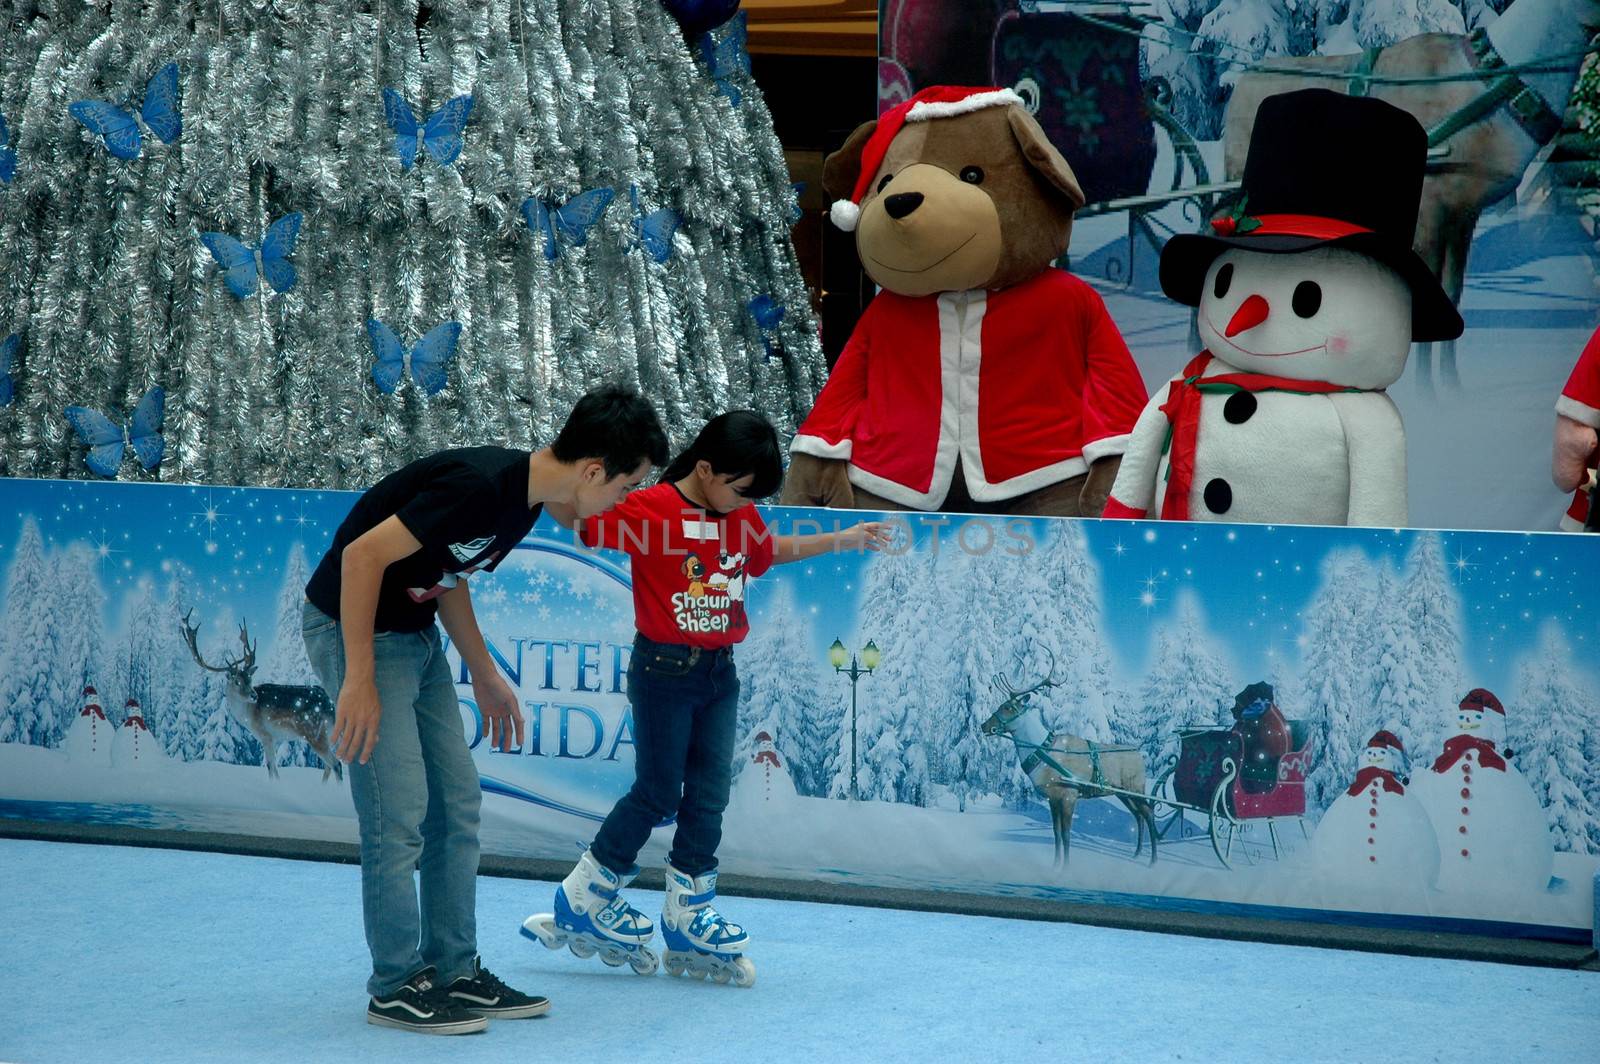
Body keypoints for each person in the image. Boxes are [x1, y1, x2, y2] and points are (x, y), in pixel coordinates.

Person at [301, 384, 669, 1033]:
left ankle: (454, 969)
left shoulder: (523, 502)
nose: (623, 500)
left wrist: (483, 668)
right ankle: (395, 984)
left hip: (414, 637)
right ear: (592, 472)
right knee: (398, 815)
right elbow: (361, 557)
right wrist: (357, 677)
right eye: (625, 486)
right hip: (355, 631)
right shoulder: (480, 484)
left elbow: (448, 574)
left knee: (458, 803)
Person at [524, 410, 890, 987]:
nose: (744, 504)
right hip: (663, 670)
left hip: (720, 674)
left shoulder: (740, 518)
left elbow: (772, 551)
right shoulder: (650, 511)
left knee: (709, 795)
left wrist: (842, 538)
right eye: (739, 489)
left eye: (752, 496)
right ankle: (586, 896)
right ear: (705, 468)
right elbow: (574, 514)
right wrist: (558, 468)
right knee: (657, 791)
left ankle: (688, 912)